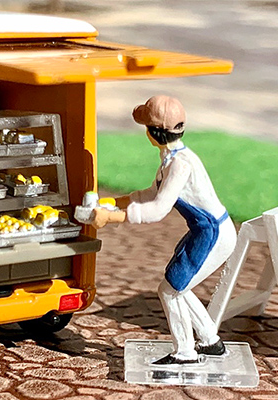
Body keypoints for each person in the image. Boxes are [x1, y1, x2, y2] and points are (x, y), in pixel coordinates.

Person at [91, 95, 237, 364]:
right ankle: (210, 341)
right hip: (204, 231)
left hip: (213, 233)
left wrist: (112, 218)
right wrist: (115, 201)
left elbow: (158, 209)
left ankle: (185, 352)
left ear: (154, 132)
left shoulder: (180, 165)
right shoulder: (173, 158)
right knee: (178, 286)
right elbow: (152, 193)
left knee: (170, 290)